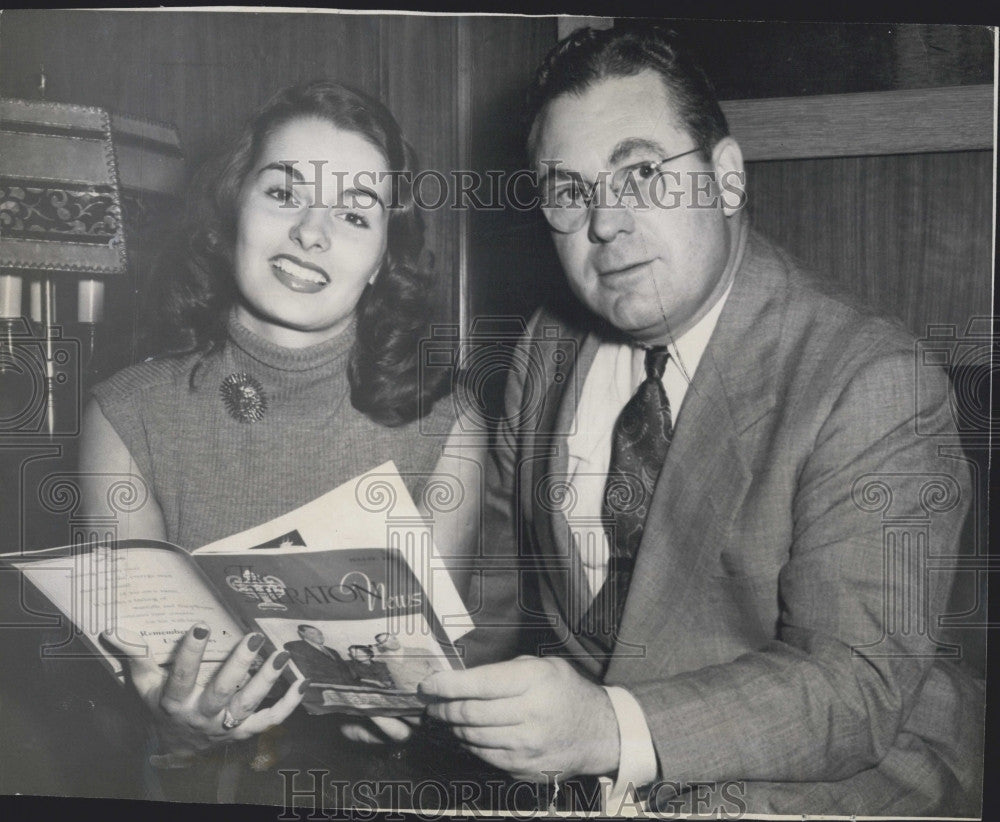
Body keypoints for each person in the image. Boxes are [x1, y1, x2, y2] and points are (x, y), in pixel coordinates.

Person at [411, 26, 984, 816]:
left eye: (641, 173)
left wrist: (607, 728)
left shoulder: (872, 381)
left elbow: (856, 688)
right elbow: (500, 604)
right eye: (569, 191)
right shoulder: (548, 346)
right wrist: (413, 691)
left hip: (831, 782)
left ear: (727, 178)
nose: (605, 222)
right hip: (603, 783)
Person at [76, 79, 482, 801]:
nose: (311, 233)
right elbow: (129, 693)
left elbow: (432, 679)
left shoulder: (447, 427)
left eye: (355, 214)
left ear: (386, 256)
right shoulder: (125, 413)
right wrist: (177, 728)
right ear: (233, 206)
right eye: (285, 194)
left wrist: (408, 704)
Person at [373, 631, 443, 692]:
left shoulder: (422, 651)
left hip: (431, 692)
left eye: (393, 638)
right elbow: (384, 681)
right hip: (406, 698)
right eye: (386, 641)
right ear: (381, 645)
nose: (392, 642)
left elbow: (439, 671)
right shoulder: (380, 660)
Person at [283, 625, 354, 685]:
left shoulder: (333, 651)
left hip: (344, 687)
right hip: (318, 686)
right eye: (312, 633)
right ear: (302, 633)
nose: (319, 636)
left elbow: (345, 670)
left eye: (320, 633)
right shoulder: (295, 646)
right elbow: (304, 671)